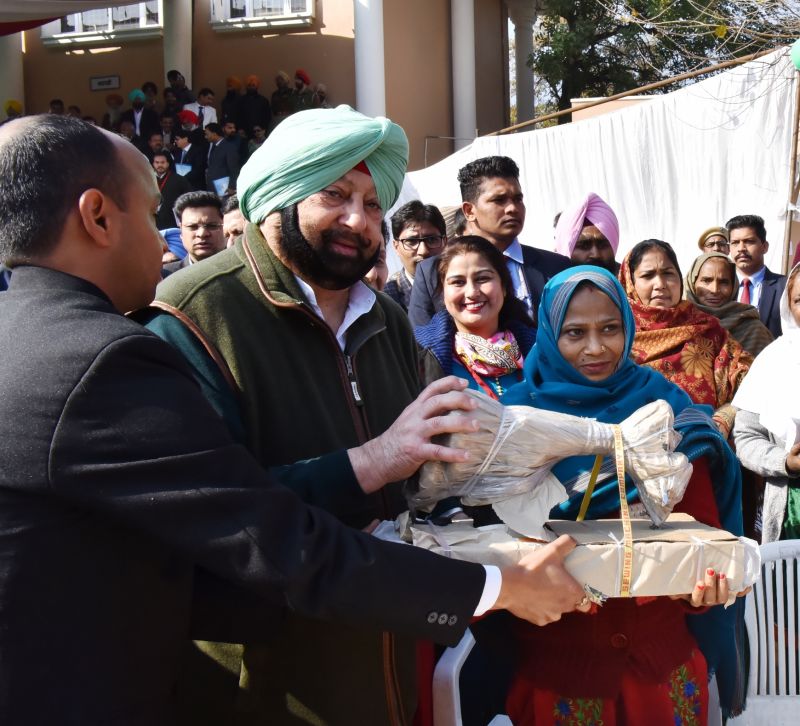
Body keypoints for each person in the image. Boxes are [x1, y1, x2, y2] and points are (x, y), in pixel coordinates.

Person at [0, 113, 588, 726]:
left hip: (385, 672)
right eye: (333, 194)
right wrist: (492, 582)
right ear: (277, 196)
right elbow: (252, 532)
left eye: (370, 200)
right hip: (261, 692)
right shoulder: (179, 323)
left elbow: (422, 491)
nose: (359, 219)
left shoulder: (389, 326)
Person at [502, 265, 748, 723]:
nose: (596, 348)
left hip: (660, 668)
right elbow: (490, 550)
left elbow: (700, 532)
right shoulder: (512, 420)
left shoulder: (664, 406)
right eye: (575, 332)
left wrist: (699, 588)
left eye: (610, 328)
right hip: (561, 671)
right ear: (551, 333)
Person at [409, 155, 571, 327]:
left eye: (518, 199)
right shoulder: (431, 272)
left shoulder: (558, 268)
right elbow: (420, 344)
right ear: (469, 210)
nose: (512, 208)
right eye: (499, 200)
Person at [619, 240, 752, 437]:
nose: (661, 285)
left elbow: (751, 383)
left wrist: (726, 415)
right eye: (648, 275)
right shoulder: (618, 333)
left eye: (668, 273)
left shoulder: (707, 329)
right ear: (630, 283)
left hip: (704, 446)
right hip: (634, 449)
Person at [415, 235, 535, 398]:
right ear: (443, 292)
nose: (472, 292)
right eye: (458, 282)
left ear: (504, 286)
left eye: (483, 278)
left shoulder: (539, 350)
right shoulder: (419, 357)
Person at [733, 262, 800, 543]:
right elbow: (746, 437)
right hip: (791, 511)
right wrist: (785, 462)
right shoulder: (774, 360)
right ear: (789, 305)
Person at [685, 252, 773, 357]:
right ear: (692, 283)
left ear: (734, 286)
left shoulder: (753, 330)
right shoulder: (678, 323)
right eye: (706, 280)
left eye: (724, 282)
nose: (715, 290)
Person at [727, 213, 786, 338]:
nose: (741, 248)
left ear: (764, 247)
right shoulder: (720, 286)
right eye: (735, 243)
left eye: (749, 241)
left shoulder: (785, 286)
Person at [385, 200, 447, 310]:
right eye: (412, 241)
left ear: (445, 242)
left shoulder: (462, 284)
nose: (423, 251)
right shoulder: (388, 299)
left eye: (432, 240)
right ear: (396, 247)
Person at [553, 192, 620, 273]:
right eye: (584, 246)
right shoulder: (544, 283)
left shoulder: (630, 282)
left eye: (603, 245)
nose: (596, 255)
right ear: (564, 248)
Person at [163, 191, 227, 275]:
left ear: (225, 227)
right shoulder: (166, 276)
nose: (202, 234)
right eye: (192, 227)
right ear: (181, 231)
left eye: (212, 226)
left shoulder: (246, 268)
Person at [153, 149, 192, 231]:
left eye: (162, 162)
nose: (159, 165)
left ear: (168, 163)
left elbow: (188, 198)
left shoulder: (179, 180)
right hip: (152, 220)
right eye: (157, 162)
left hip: (171, 222)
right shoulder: (147, 179)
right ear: (153, 163)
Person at [204, 122, 239, 195]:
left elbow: (234, 169)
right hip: (212, 187)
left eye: (207, 134)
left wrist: (232, 187)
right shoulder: (213, 146)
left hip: (224, 187)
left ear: (214, 133)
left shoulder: (229, 147)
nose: (206, 137)